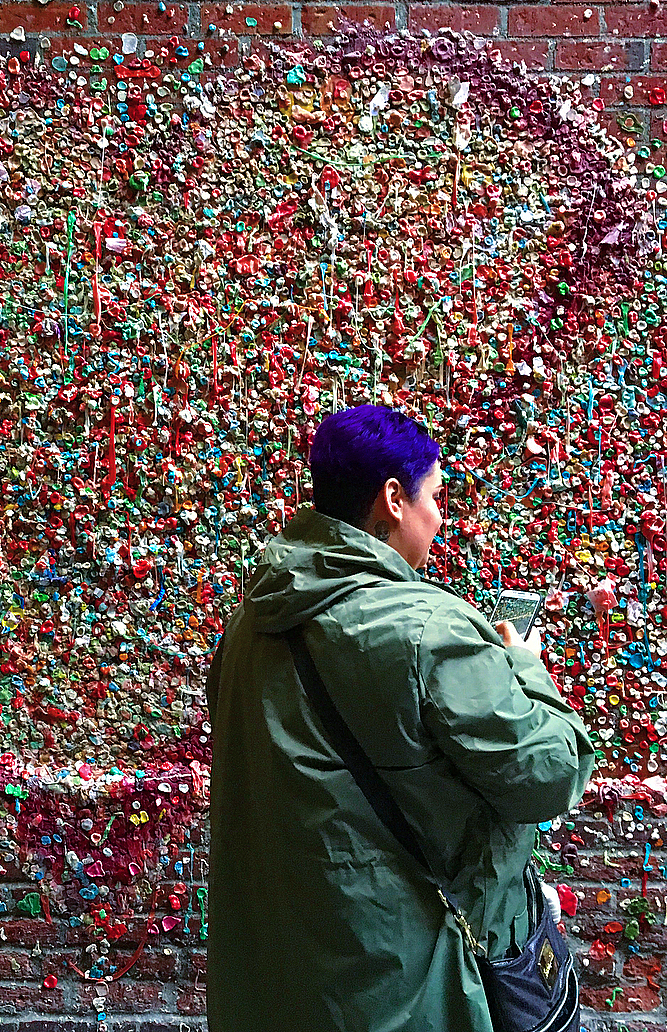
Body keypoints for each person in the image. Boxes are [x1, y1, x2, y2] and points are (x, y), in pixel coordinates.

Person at [206, 404, 595, 1032]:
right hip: (405, 987)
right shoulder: (429, 631)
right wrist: (525, 667)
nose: (439, 518)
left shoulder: (249, 624)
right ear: (393, 500)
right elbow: (549, 774)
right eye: (435, 497)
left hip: (280, 980)